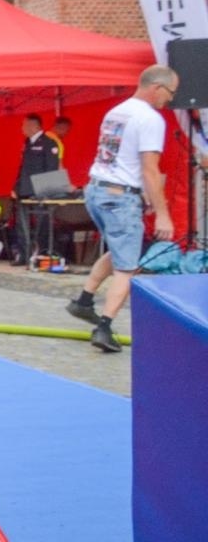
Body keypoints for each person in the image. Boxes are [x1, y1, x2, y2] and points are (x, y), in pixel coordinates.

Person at [67, 66, 179, 352]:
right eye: (170, 93)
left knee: (120, 249)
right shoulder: (150, 119)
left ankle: (84, 300)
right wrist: (164, 214)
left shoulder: (117, 111)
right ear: (157, 87)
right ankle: (104, 328)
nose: (170, 99)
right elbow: (150, 170)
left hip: (97, 190)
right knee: (127, 267)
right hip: (120, 197)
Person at [11, 113, 63, 266]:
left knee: (42, 224)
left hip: (40, 190)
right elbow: (23, 168)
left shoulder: (49, 143)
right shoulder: (27, 143)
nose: (22, 129)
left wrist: (46, 192)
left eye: (24, 125)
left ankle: (42, 254)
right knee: (22, 225)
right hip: (24, 189)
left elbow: (52, 169)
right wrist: (16, 186)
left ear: (34, 126)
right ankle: (23, 255)